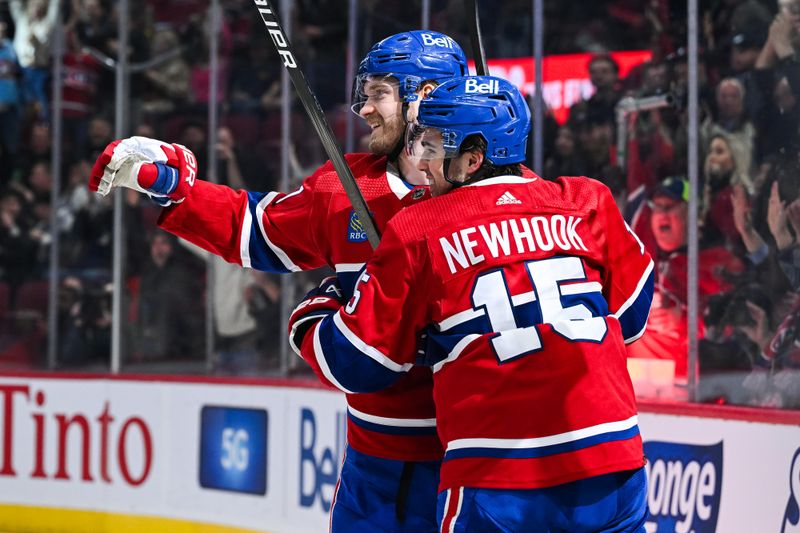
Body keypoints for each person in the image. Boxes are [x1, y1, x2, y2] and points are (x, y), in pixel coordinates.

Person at [89, 31, 476, 532]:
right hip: (372, 465)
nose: (365, 110)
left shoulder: (491, 198)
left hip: (469, 462)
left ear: (424, 96)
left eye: (379, 92)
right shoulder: (345, 187)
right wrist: (170, 187)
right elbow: (258, 231)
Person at [288, 76, 654, 532]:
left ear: (473, 159)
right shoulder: (586, 200)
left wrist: (314, 312)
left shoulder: (420, 227)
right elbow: (633, 317)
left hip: (499, 477)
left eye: (435, 145)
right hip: (611, 460)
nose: (421, 162)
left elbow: (357, 364)